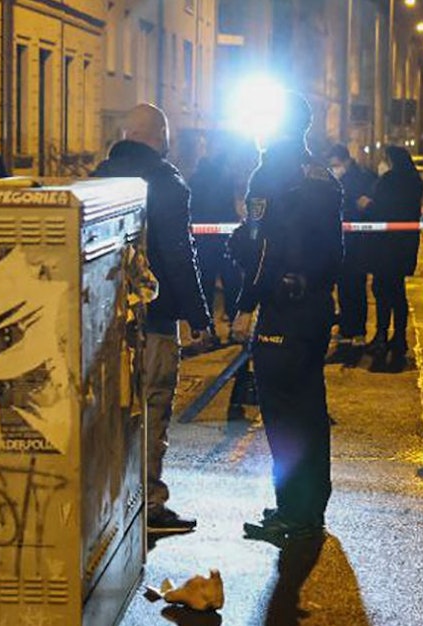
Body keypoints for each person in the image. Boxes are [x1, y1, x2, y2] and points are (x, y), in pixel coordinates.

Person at [92, 104, 214, 535]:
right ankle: (149, 505)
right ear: (159, 137)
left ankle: (107, 504)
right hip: (154, 318)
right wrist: (199, 315)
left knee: (109, 413)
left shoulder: (97, 177)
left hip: (101, 323)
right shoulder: (167, 182)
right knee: (152, 406)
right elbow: (180, 254)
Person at [233, 92, 344, 546]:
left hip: (283, 307)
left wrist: (245, 303)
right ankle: (308, 507)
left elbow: (263, 247)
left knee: (283, 415)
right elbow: (336, 250)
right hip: (315, 304)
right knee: (310, 409)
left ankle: (293, 513)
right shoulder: (322, 174)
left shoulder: (270, 171)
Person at [364, 146, 423, 372]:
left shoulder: (388, 181)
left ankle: (382, 335)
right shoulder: (414, 181)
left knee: (382, 290)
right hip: (404, 246)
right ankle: (398, 337)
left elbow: (380, 210)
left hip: (385, 246)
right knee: (397, 292)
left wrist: (366, 205)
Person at [323, 144, 377, 365]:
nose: (334, 169)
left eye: (336, 165)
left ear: (345, 162)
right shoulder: (341, 179)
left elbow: (363, 207)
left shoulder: (359, 179)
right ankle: (349, 334)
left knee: (354, 289)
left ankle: (355, 336)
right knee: (346, 290)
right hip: (343, 244)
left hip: (356, 245)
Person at [188, 133, 246, 332]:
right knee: (232, 283)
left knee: (206, 284)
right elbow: (228, 209)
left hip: (203, 240)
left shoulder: (196, 178)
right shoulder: (224, 177)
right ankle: (233, 325)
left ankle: (207, 328)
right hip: (223, 240)